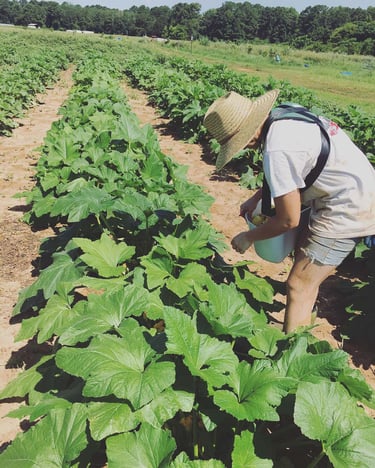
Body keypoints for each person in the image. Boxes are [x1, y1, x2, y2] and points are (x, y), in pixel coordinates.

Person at [203, 89, 375, 333]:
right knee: (304, 261)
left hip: (349, 206)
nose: (241, 148)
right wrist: (257, 198)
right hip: (351, 185)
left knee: (298, 284)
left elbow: (288, 220)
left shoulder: (277, 150)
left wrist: (248, 237)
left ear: (249, 130)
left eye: (237, 141)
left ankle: (292, 353)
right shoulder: (283, 115)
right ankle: (302, 321)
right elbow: (298, 166)